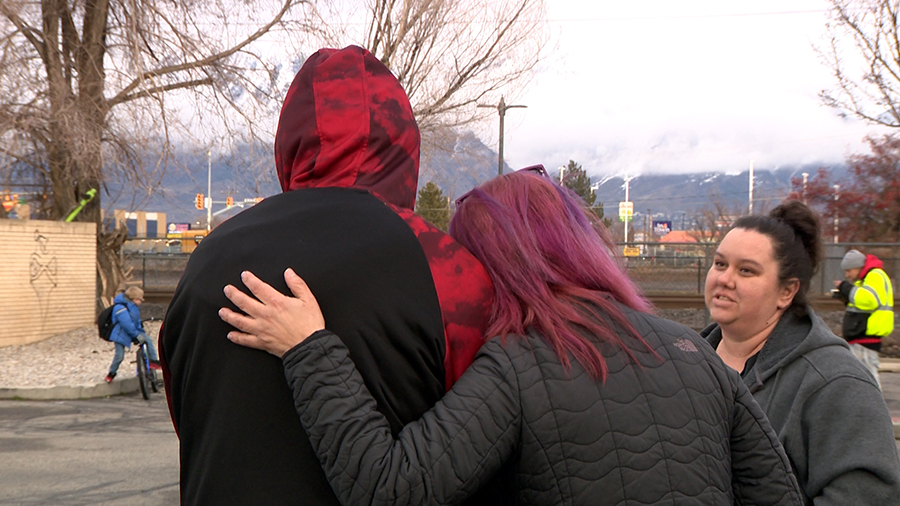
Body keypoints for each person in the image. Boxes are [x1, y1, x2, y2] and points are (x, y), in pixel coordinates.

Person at [219, 167, 804, 505]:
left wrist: (310, 349)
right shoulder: (691, 351)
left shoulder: (520, 366)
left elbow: (389, 489)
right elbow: (777, 496)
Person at [159, 45, 494, 505]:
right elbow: (483, 439)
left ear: (288, 141)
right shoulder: (448, 270)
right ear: (402, 143)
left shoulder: (206, 259)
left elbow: (188, 418)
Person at [701, 200, 900, 505]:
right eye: (720, 263)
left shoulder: (835, 382)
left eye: (746, 270)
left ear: (786, 291)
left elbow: (870, 495)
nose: (725, 279)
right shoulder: (685, 361)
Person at [833, 248, 894, 387]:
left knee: (866, 377)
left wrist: (846, 288)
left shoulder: (875, 275)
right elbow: (863, 303)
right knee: (861, 376)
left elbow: (870, 300)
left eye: (849, 270)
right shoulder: (866, 279)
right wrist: (846, 297)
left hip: (865, 335)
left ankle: (871, 406)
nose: (847, 275)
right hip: (861, 335)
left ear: (859, 267)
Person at [105, 286, 160, 383]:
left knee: (147, 340)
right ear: (133, 298)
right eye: (139, 299)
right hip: (120, 334)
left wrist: (141, 331)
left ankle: (152, 361)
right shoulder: (120, 308)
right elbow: (127, 325)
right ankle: (111, 373)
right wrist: (137, 335)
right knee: (119, 355)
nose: (141, 302)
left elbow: (136, 322)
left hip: (132, 331)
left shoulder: (133, 307)